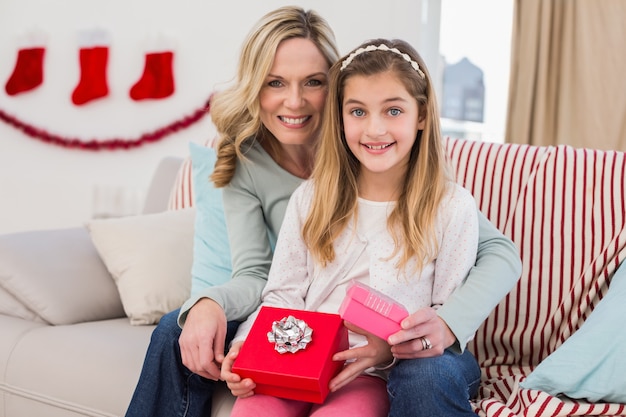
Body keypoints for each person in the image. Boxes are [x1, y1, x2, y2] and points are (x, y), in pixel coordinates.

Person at [125, 7, 522, 417]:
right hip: (296, 336)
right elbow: (264, 281)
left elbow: (492, 258)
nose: (294, 100)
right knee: (176, 329)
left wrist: (436, 329)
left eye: (312, 82)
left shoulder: (435, 194)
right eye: (275, 82)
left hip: (380, 360)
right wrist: (217, 312)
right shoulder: (271, 175)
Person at [221, 37, 481, 417]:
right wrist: (246, 346)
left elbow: (443, 315)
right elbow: (282, 296)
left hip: (370, 372)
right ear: (340, 118)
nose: (375, 129)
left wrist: (388, 349)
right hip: (295, 362)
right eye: (357, 112)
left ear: (421, 115)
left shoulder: (452, 207)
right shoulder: (311, 199)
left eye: (393, 111)